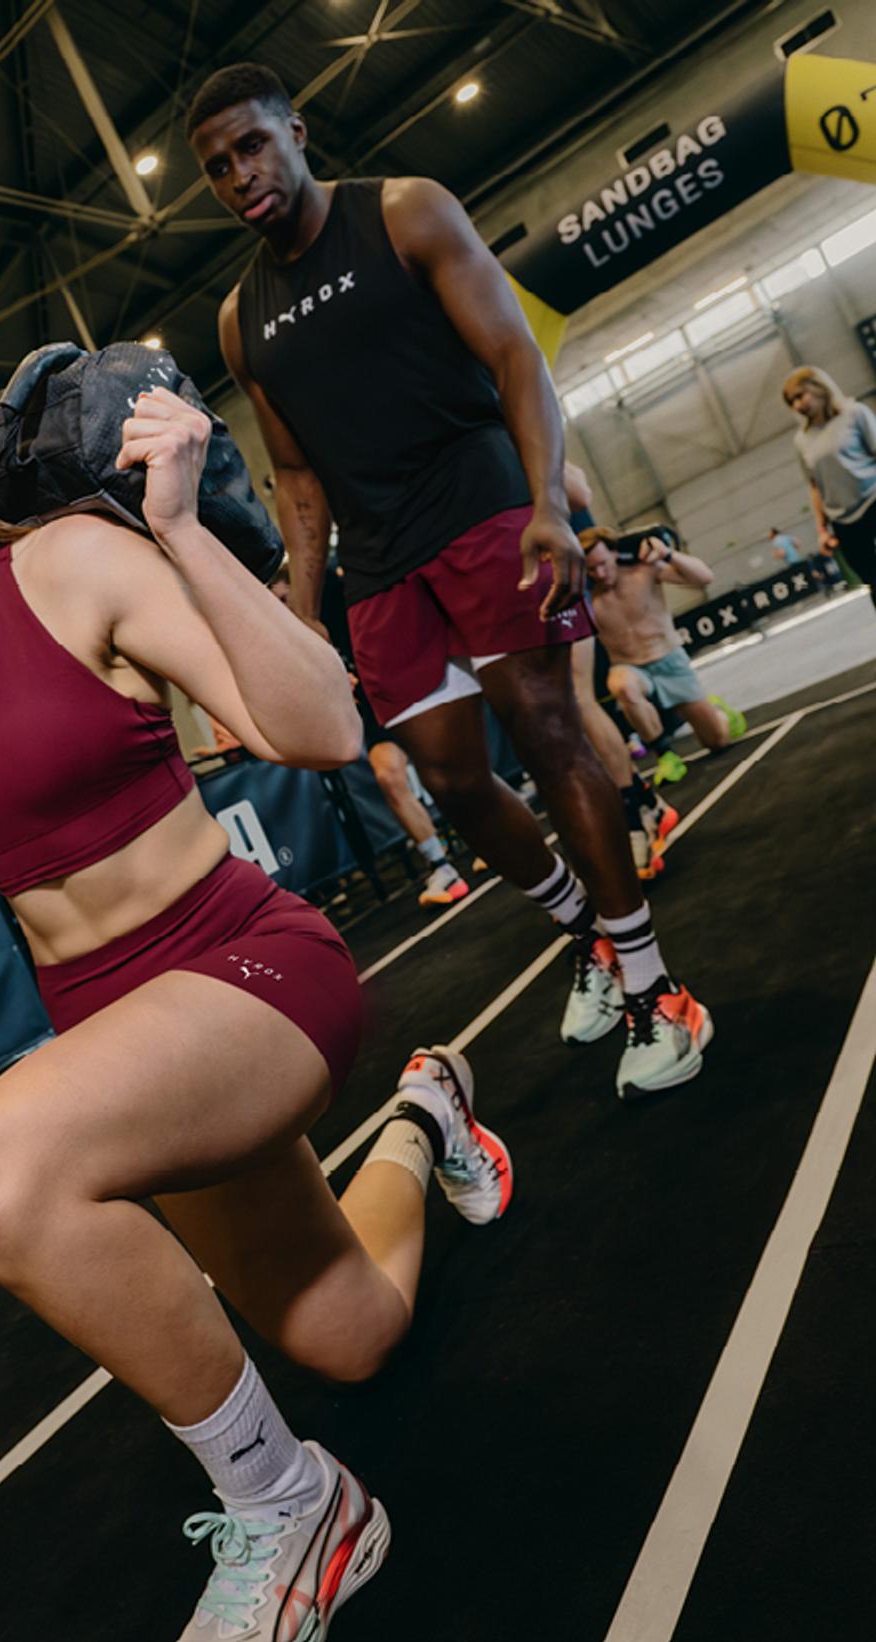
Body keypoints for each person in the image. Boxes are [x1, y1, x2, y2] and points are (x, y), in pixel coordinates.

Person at [0, 330, 516, 1642]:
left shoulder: (72, 566)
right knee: (351, 1336)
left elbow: (327, 730)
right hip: (123, 1042)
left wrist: (177, 530)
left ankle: (296, 1509)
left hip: (244, 971)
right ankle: (426, 1114)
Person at [189, 62, 710, 1098]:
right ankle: (585, 936)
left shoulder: (403, 211)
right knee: (452, 779)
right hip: (378, 562)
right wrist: (299, 619)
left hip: (481, 507)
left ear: (296, 132)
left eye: (251, 145)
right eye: (216, 166)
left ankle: (657, 987)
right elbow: (294, 475)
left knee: (547, 735)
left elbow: (516, 355)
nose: (239, 173)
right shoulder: (240, 320)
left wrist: (550, 506)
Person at [318, 562, 469, 906]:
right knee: (388, 776)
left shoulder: (336, 589)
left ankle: (490, 837)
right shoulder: (292, 630)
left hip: (411, 683)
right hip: (374, 707)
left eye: (285, 600)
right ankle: (441, 866)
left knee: (450, 766)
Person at [564, 466, 676, 878]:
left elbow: (578, 492)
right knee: (558, 714)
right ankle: (645, 802)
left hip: (561, 569)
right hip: (520, 583)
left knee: (580, 699)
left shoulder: (514, 422)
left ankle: (634, 814)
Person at [578, 528, 746, 767]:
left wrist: (669, 554)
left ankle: (719, 714)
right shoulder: (585, 597)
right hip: (631, 668)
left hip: (669, 661)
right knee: (621, 686)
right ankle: (666, 756)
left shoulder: (643, 570)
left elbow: (704, 578)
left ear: (614, 552)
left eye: (603, 563)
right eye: (591, 569)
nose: (600, 573)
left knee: (717, 741)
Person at [783, 366, 876, 587]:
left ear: (819, 388)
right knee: (871, 580)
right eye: (791, 402)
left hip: (873, 499)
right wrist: (822, 530)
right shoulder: (801, 440)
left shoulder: (855, 413)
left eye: (800, 396)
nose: (797, 405)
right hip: (844, 520)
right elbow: (815, 486)